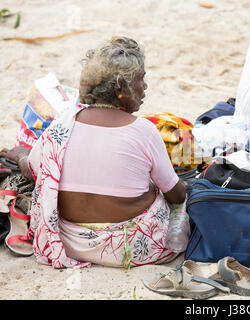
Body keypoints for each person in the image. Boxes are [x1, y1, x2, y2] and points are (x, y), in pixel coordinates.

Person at [0, 36, 186, 269]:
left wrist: (21, 156)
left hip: (69, 242)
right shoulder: (144, 131)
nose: (145, 87)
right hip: (132, 249)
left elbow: (35, 169)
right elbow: (176, 196)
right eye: (141, 79)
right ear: (120, 89)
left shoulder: (62, 124)